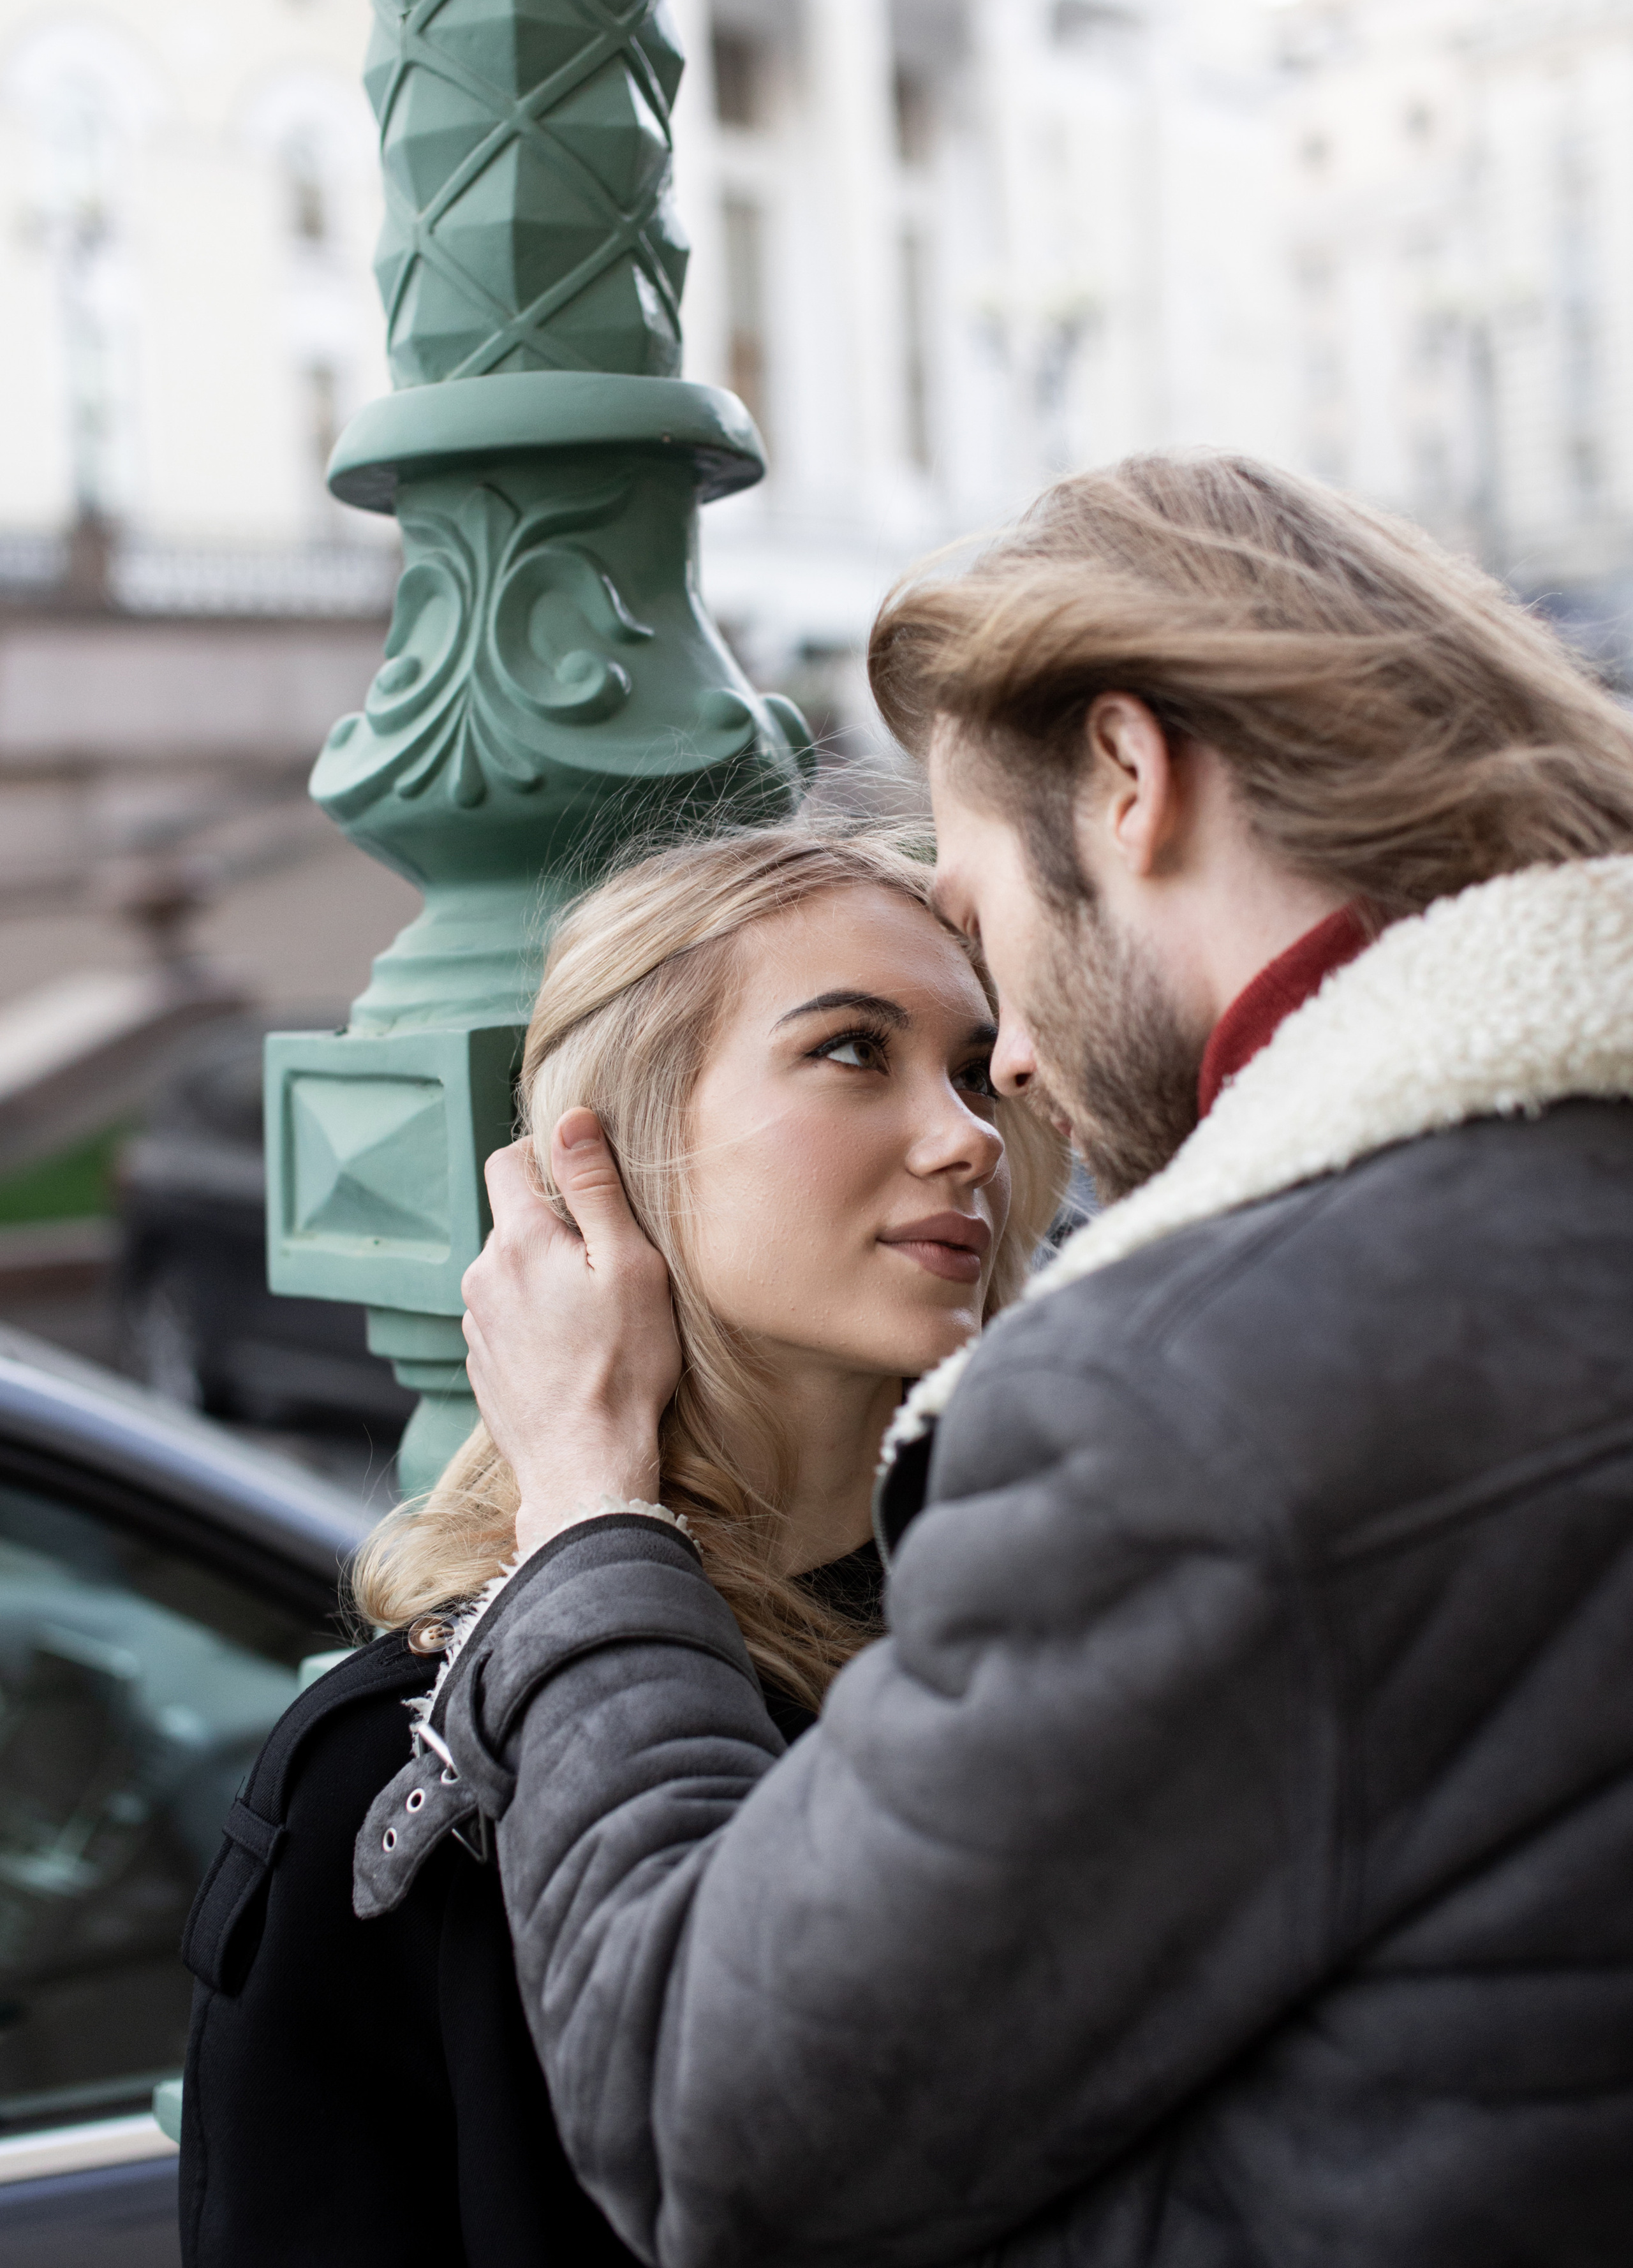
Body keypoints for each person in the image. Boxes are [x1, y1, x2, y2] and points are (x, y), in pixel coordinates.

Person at [389, 453, 1633, 2268]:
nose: (1010, 1091)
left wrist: (587, 1506)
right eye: (846, 1052)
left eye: (981, 933)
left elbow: (718, 2124)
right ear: (615, 1142)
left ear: (1128, 780)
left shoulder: (1192, 1395)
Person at [176, 826, 1063, 2267]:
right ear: (611, 1144)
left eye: (979, 1068)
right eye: (852, 1051)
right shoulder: (408, 1767)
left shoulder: (1070, 1621)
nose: (966, 1135)